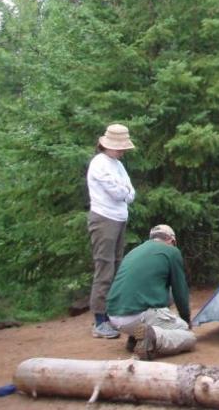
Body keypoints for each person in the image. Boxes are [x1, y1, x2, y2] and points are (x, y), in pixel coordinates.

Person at [106, 224, 196, 360]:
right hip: (137, 315)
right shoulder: (171, 251)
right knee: (187, 335)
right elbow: (180, 290)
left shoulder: (133, 252)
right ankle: (152, 337)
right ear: (171, 241)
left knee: (161, 291)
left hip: (114, 316)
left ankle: (135, 337)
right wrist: (186, 319)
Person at [87, 123, 137, 338]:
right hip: (104, 218)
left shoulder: (117, 164)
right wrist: (125, 191)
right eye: (120, 147)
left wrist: (125, 191)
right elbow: (118, 192)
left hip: (118, 218)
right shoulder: (99, 164)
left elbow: (130, 191)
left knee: (116, 266)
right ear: (107, 145)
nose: (123, 151)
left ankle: (111, 315)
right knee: (104, 268)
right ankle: (99, 320)